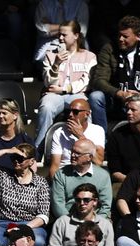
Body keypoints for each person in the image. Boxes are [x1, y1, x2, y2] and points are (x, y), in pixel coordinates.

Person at [88, 15, 140, 130]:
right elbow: (99, 80)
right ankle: (102, 139)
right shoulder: (109, 49)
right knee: (95, 97)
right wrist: (119, 93)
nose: (120, 39)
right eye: (119, 35)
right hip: (117, 99)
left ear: (138, 36)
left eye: (125, 36)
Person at [34, 21, 96, 154]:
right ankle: (38, 151)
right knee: (46, 107)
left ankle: (89, 148)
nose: (60, 38)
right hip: (53, 95)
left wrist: (64, 89)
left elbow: (86, 81)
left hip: (76, 94)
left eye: (64, 35)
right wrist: (56, 64)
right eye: (59, 34)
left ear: (76, 35)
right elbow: (48, 83)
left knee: (84, 108)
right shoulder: (50, 55)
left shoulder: (89, 56)